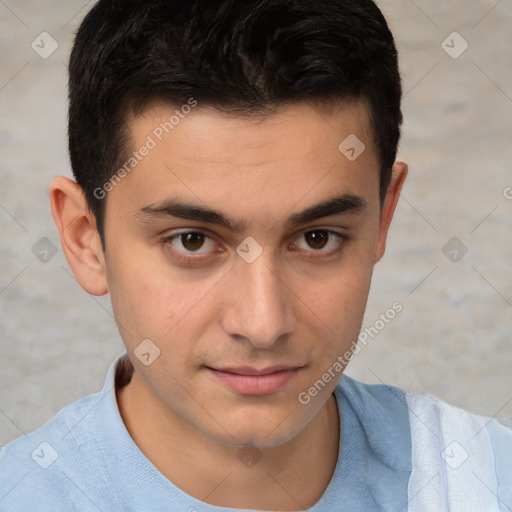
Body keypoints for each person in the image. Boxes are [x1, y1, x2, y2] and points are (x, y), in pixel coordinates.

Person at [1, 0, 510, 510]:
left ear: (384, 216)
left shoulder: (485, 482)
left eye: (317, 238)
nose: (263, 324)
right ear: (85, 238)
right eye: (192, 241)